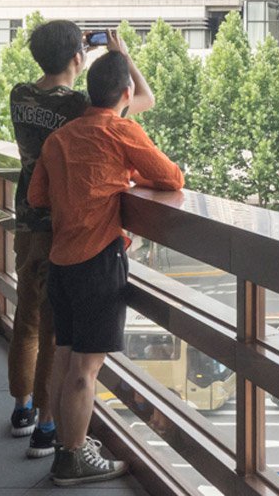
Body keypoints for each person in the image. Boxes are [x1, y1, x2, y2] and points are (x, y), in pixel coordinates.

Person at [29, 49, 182, 486]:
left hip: (61, 261)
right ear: (126, 92)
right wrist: (129, 177)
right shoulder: (121, 131)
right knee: (86, 370)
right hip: (98, 260)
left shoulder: (59, 139)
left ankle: (66, 444)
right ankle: (72, 459)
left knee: (63, 357)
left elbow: (38, 197)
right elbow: (171, 177)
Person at [7, 21, 135, 457]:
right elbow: (132, 104)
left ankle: (21, 408)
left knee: (26, 314)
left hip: (25, 216)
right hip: (62, 224)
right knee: (54, 329)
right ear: (78, 59)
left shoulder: (19, 94)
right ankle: (47, 425)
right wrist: (119, 58)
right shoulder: (79, 106)